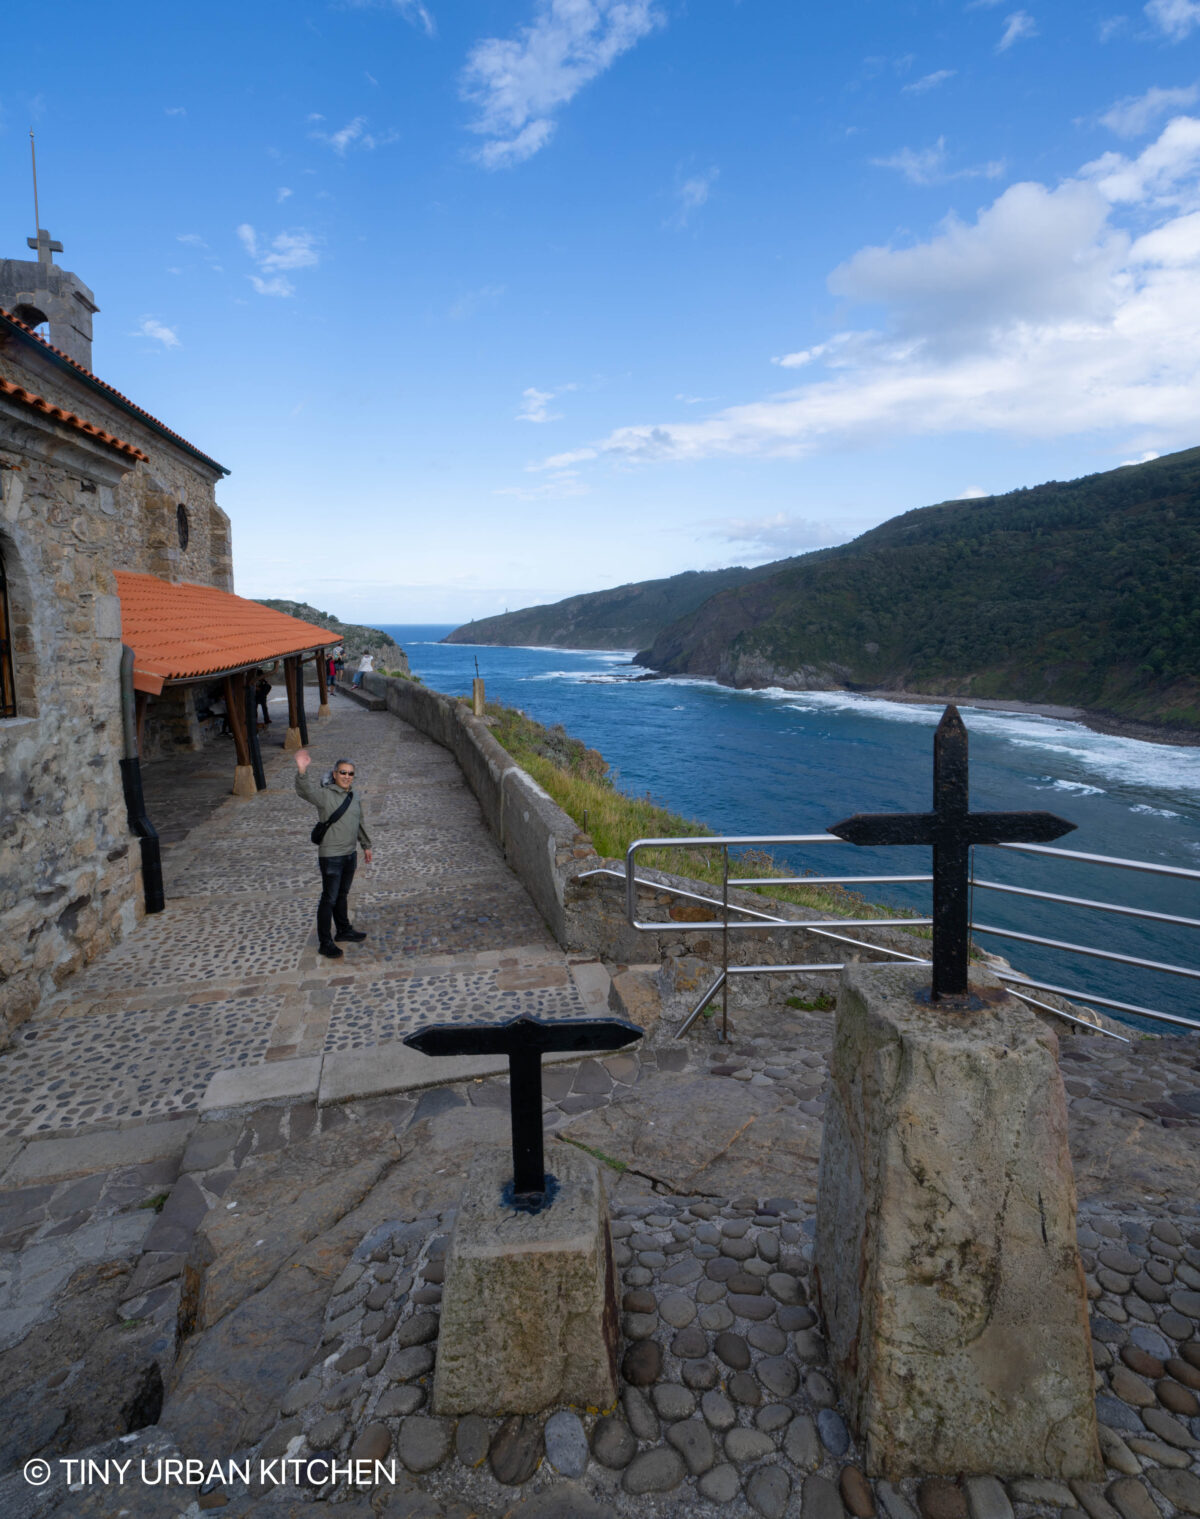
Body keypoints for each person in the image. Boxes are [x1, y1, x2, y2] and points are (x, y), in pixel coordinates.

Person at [294, 750, 372, 959]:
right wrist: (302, 769)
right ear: (335, 774)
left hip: (349, 854)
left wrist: (366, 845)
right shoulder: (325, 795)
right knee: (329, 898)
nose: (347, 777)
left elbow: (359, 820)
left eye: (350, 774)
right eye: (343, 773)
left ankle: (344, 930)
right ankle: (325, 942)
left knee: (342, 895)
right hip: (331, 857)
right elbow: (305, 791)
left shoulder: (354, 795)